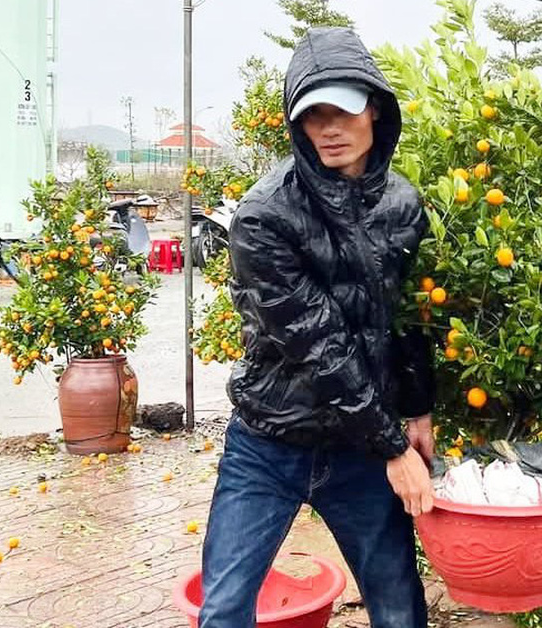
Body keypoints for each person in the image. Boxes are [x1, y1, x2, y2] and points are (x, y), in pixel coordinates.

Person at [199, 27, 436, 627]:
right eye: (313, 115)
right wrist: (392, 447)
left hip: (360, 448)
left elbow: (410, 319)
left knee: (399, 607)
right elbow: (317, 346)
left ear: (374, 108)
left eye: (342, 111)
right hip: (270, 443)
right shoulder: (263, 217)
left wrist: (419, 409)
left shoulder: (403, 202)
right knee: (225, 608)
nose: (329, 128)